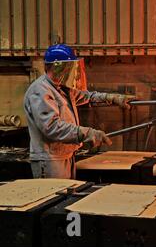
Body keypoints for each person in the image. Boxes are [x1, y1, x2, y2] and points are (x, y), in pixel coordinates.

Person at [23, 44, 135, 179]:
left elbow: (87, 96)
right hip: (50, 159)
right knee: (55, 197)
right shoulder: (40, 91)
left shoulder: (61, 89)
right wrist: (88, 133)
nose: (71, 70)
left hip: (66, 155)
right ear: (58, 66)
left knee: (67, 196)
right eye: (69, 66)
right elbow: (52, 128)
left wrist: (111, 98)